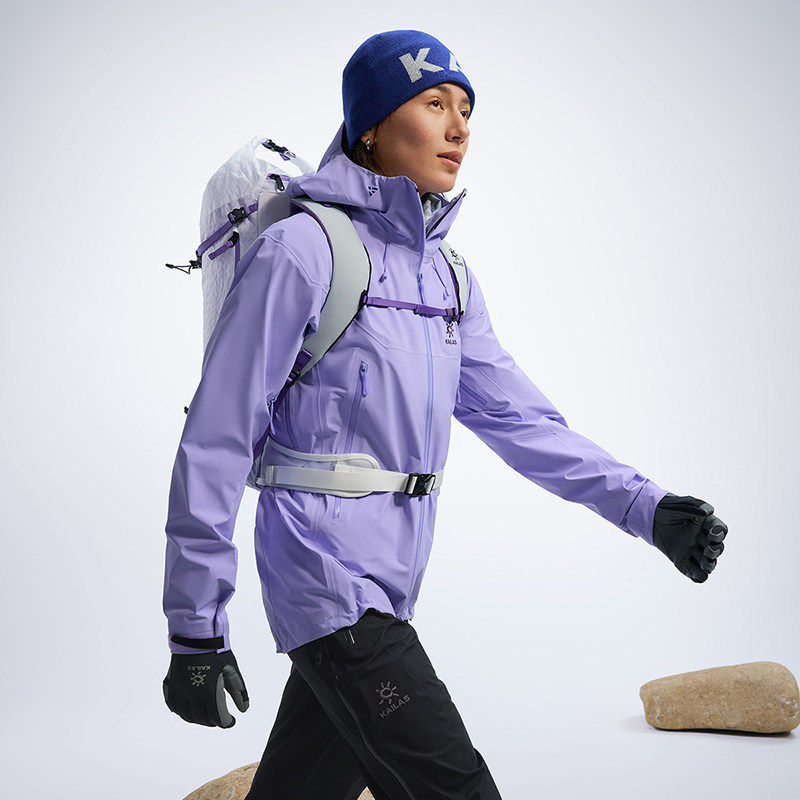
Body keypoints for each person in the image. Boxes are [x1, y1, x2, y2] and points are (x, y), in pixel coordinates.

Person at [161, 29, 728, 800]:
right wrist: (195, 626)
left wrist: (647, 508)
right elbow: (217, 437)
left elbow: (523, 423)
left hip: (391, 585)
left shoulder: (447, 277)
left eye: (466, 108)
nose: (459, 127)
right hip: (326, 577)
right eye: (433, 104)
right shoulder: (302, 251)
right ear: (371, 125)